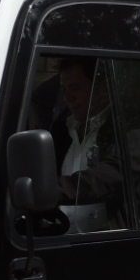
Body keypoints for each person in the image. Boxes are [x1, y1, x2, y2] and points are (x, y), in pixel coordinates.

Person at [48, 57, 123, 233]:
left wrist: (55, 190)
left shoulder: (125, 129)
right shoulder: (61, 130)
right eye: (64, 90)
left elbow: (114, 174)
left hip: (107, 239)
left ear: (102, 89)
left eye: (76, 88)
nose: (68, 98)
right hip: (59, 236)